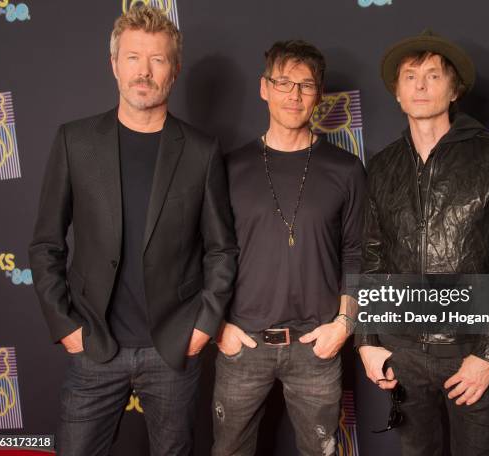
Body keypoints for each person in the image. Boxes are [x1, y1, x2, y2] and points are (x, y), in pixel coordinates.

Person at [28, 5, 237, 455]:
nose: (144, 71)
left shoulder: (201, 151)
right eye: (133, 57)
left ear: (174, 71)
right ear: (114, 65)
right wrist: (65, 326)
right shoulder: (75, 141)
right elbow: (46, 244)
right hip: (93, 344)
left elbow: (221, 250)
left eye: (158, 59)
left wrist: (203, 325)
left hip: (172, 348)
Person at [356, 30, 489, 456]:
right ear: (397, 93)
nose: (421, 85)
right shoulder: (382, 167)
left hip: (470, 353)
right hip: (402, 355)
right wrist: (366, 340)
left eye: (433, 75)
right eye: (410, 76)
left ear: (454, 89)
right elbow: (372, 257)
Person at [211, 40, 366, 456]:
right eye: (283, 83)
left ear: (318, 95)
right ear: (264, 88)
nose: (294, 95)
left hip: (316, 346)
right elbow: (207, 251)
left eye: (305, 85)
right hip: (242, 344)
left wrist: (343, 325)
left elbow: (356, 252)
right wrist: (217, 328)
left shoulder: (346, 170)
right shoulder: (228, 167)